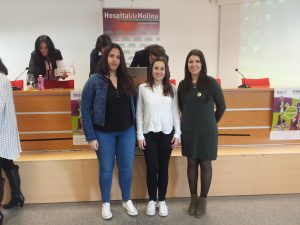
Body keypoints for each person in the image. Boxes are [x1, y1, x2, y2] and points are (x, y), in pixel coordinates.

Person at [81, 43, 138, 220]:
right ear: (105, 58)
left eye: (118, 57)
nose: (115, 60)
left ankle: (126, 200)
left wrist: (137, 130)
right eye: (111, 56)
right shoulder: (94, 80)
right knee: (106, 169)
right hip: (103, 133)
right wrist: (90, 136)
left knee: (126, 168)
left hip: (126, 131)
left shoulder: (127, 79)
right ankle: (106, 203)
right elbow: (84, 109)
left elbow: (135, 106)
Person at [178, 49, 226, 218]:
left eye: (197, 61)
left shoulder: (211, 83)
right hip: (189, 131)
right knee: (191, 163)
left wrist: (211, 123)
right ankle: (193, 198)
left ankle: (203, 200)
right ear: (187, 64)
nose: (194, 64)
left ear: (202, 64)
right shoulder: (182, 85)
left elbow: (222, 107)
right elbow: (182, 108)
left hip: (207, 132)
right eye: (191, 61)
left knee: (205, 164)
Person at [136, 57, 180, 217]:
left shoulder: (172, 89)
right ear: (151, 70)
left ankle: (162, 200)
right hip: (149, 134)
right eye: (156, 68)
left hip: (167, 134)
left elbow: (175, 113)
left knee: (163, 168)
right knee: (152, 168)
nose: (159, 71)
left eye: (162, 68)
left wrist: (177, 133)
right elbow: (139, 112)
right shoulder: (142, 88)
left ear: (166, 71)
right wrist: (139, 134)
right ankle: (152, 200)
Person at [0, 59, 24, 225]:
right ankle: (17, 195)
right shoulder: (3, 78)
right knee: (7, 162)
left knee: (5, 162)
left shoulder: (1, 80)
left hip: (2, 129)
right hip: (4, 130)